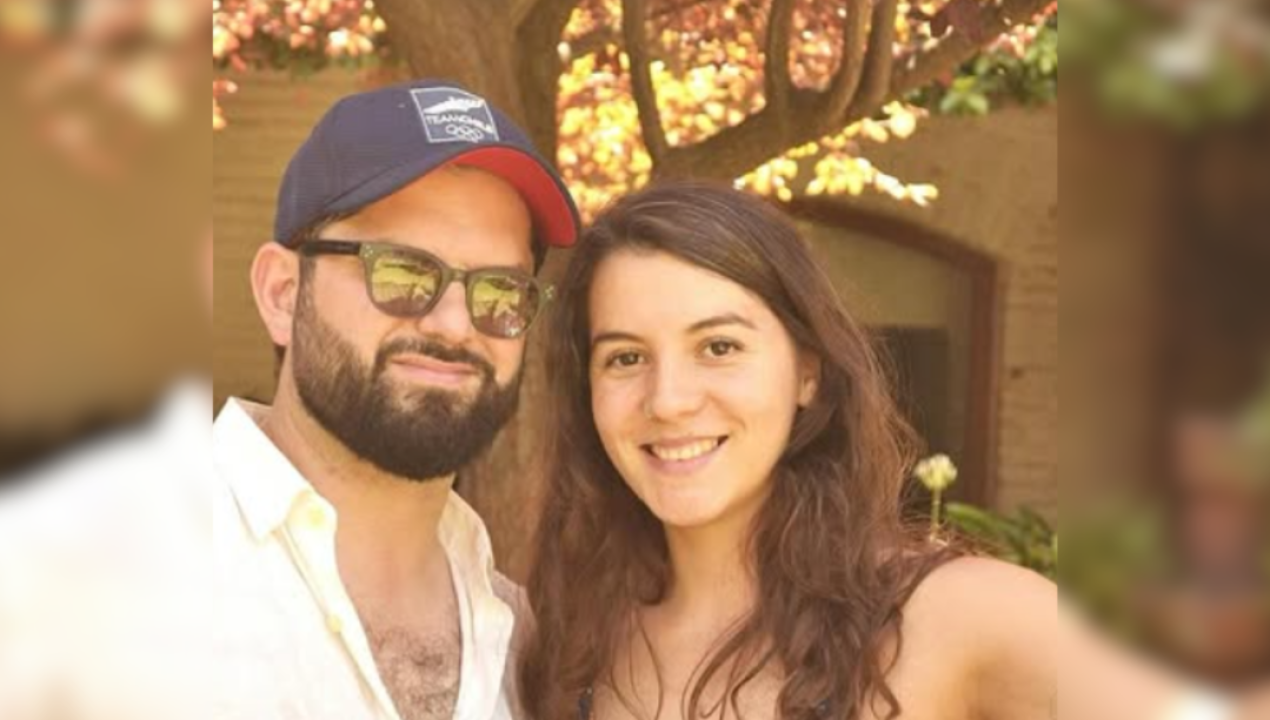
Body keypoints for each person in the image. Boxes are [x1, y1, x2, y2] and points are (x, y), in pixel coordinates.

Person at [519, 182, 1056, 720]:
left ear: (808, 372)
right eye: (626, 357)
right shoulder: (567, 641)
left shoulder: (956, 616)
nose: (668, 401)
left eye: (719, 347)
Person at [211, 79, 580, 720]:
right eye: (404, 270)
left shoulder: (525, 642)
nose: (454, 326)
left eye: (498, 289)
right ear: (281, 293)